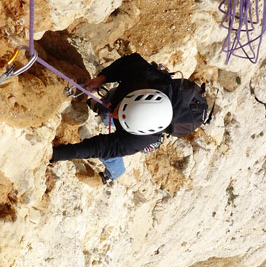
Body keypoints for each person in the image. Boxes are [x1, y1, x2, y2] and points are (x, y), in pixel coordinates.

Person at [50, 53, 174, 184]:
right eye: (120, 108)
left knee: (109, 154)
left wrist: (56, 154)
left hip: (138, 130)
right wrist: (103, 77)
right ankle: (105, 108)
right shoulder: (144, 75)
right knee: (109, 106)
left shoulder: (135, 141)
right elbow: (127, 62)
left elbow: (101, 147)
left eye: (121, 116)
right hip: (133, 89)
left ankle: (113, 174)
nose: (114, 114)